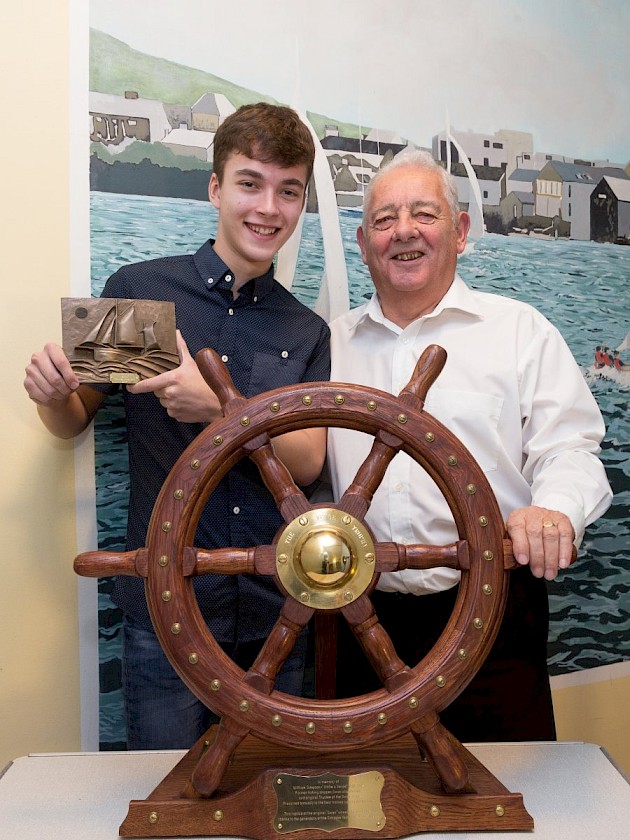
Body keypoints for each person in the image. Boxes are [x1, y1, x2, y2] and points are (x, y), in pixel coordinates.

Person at [24, 102, 330, 749]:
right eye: (250, 183)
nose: (268, 208)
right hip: (166, 612)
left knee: (277, 795)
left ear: (301, 203)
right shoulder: (139, 290)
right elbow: (71, 419)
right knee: (166, 796)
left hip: (277, 615)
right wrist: (52, 394)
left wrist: (221, 412)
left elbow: (306, 464)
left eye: (288, 190)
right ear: (216, 187)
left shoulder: (306, 328)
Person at [327, 149, 612, 741]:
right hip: (357, 620)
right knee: (364, 803)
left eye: (424, 214)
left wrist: (554, 509)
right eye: (384, 219)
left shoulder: (520, 332)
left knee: (505, 798)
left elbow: (572, 449)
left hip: (494, 616)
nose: (403, 231)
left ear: (458, 232)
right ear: (362, 241)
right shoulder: (329, 346)